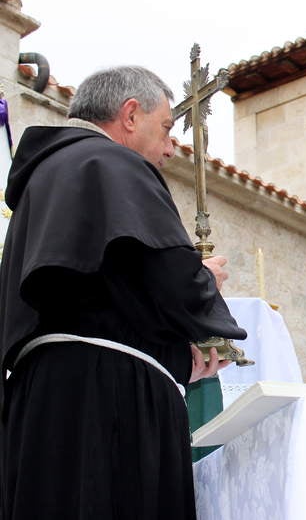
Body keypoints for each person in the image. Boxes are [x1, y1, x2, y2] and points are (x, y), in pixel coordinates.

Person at [0, 66, 247, 519]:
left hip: (39, 402)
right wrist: (204, 281)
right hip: (108, 399)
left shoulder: (38, 185)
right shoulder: (114, 163)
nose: (171, 149)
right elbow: (172, 280)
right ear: (130, 114)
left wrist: (173, 361)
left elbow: (104, 297)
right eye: (167, 129)